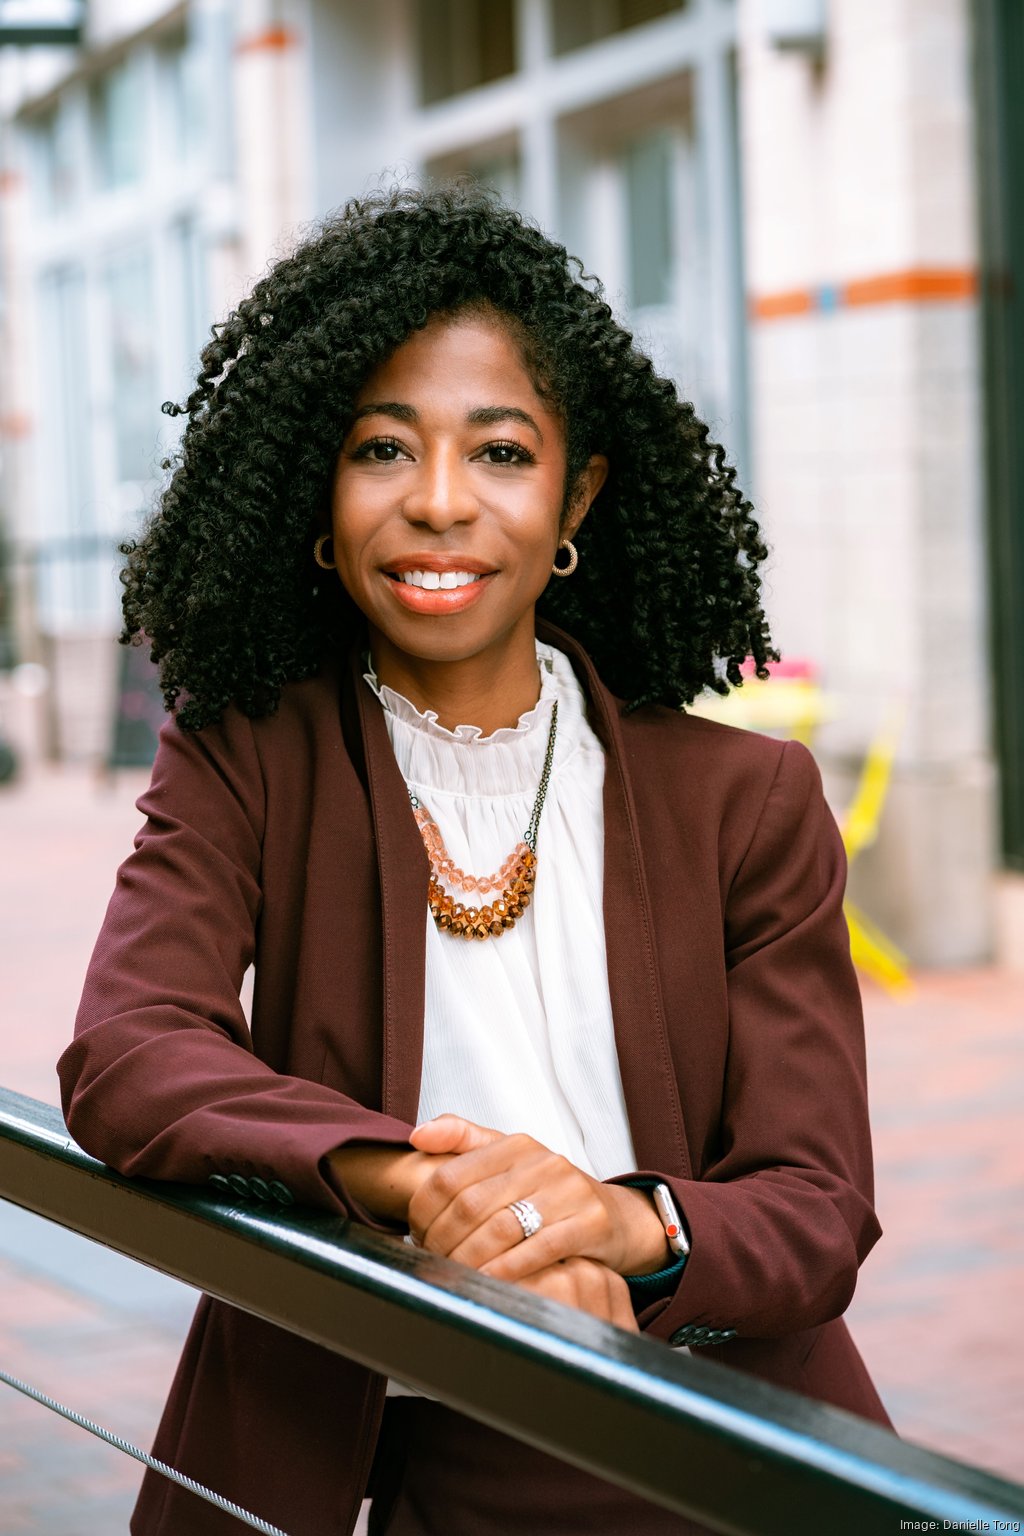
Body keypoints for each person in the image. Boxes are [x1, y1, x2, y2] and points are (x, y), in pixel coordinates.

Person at [58, 184, 891, 1536]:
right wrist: (417, 1181)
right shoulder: (248, 759)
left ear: (577, 494)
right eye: (385, 449)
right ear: (318, 501)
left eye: (501, 453)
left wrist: (623, 1226)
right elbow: (130, 1052)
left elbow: (817, 1205)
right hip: (354, 1453)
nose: (441, 504)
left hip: (697, 1447)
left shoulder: (747, 799)